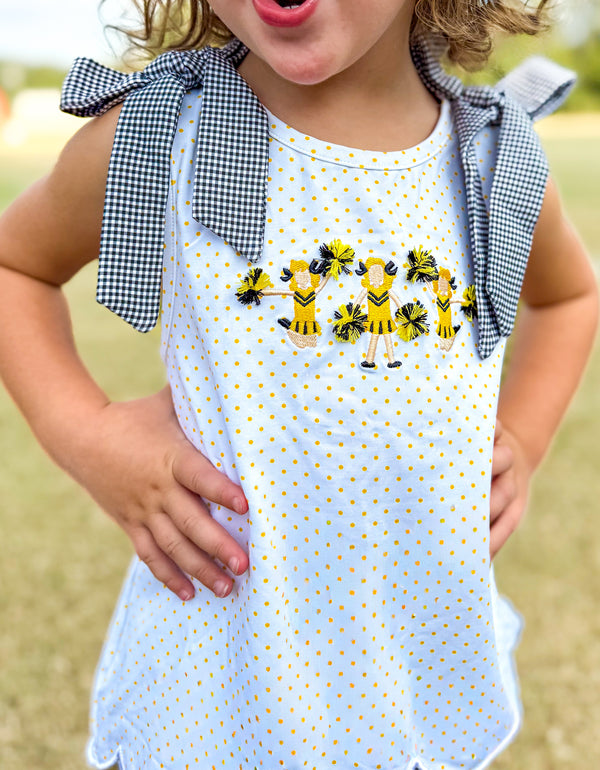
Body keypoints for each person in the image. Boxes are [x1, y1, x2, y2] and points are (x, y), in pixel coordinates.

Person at [0, 0, 597, 768]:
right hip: (211, 693)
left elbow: (568, 295)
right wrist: (87, 433)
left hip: (412, 680)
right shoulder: (160, 132)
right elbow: (15, 267)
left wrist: (526, 439)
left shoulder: (494, 155)